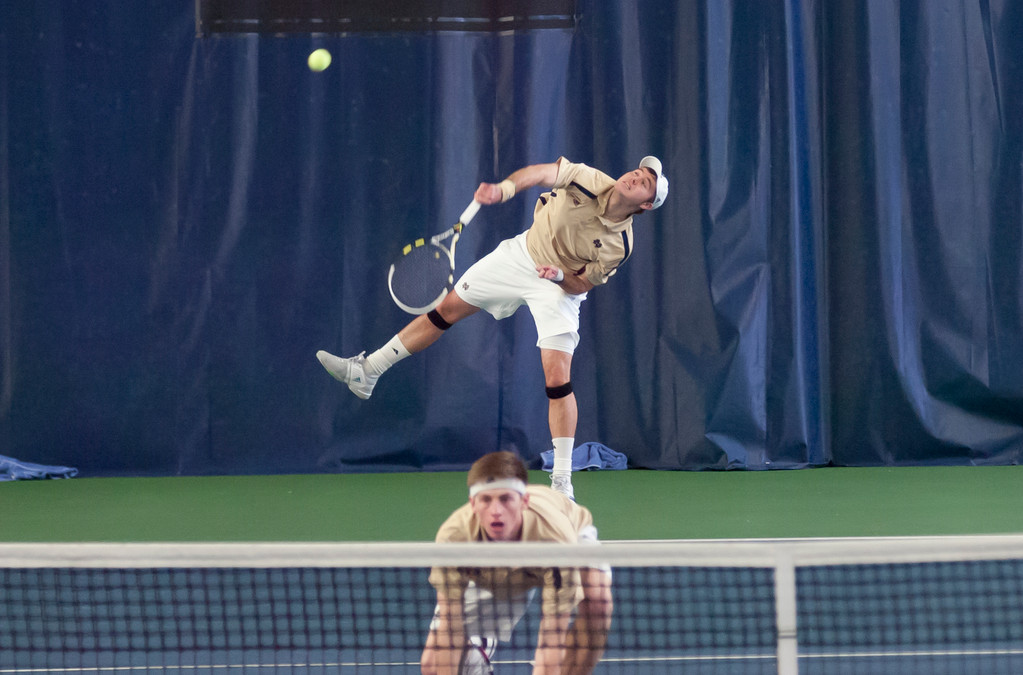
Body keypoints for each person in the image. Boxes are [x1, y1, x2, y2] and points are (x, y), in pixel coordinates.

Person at [317, 156, 668, 499]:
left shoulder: (619, 245)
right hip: (520, 255)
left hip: (558, 287)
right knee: (446, 310)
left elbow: (583, 283)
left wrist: (560, 276)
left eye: (645, 183)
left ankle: (562, 482)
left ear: (646, 205)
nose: (635, 178)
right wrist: (505, 189)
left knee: (557, 378)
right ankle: (367, 372)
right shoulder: (588, 178)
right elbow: (540, 173)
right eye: (637, 172)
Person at [420, 451, 613, 675]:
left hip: (565, 536)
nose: (496, 511)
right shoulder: (454, 538)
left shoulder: (555, 538)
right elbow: (449, 626)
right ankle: (478, 657)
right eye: (486, 500)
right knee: (433, 667)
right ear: (472, 503)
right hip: (489, 565)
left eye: (505, 499)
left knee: (597, 599)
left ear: (524, 501)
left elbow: (552, 639)